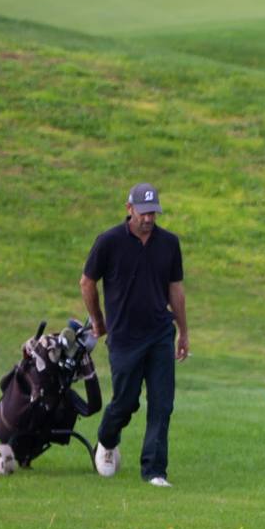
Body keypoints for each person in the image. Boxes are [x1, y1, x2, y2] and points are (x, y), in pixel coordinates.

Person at [79, 182, 189, 487]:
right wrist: (98, 321)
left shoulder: (169, 244)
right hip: (125, 337)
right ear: (129, 209)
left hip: (159, 334)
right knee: (126, 401)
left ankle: (154, 471)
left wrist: (183, 331)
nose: (149, 219)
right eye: (143, 212)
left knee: (162, 403)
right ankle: (107, 439)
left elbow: (176, 290)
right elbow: (87, 282)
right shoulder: (109, 242)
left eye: (153, 212)